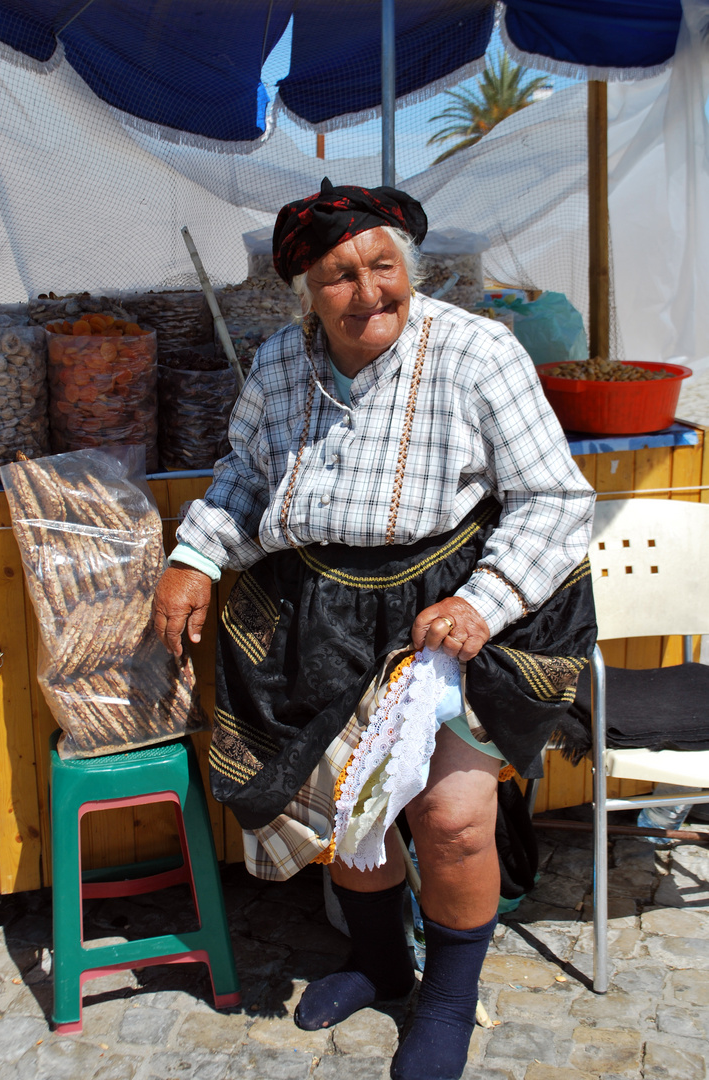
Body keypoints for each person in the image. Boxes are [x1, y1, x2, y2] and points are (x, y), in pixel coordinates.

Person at [153, 178, 597, 1080]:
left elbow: (556, 499)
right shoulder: (282, 363)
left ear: (411, 266)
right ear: (306, 291)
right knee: (350, 818)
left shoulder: (478, 352)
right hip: (321, 610)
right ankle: (378, 961)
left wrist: (483, 600)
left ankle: (445, 1001)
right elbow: (244, 475)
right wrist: (194, 556)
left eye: (382, 267)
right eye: (338, 277)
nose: (367, 293)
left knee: (451, 816)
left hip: (456, 605)